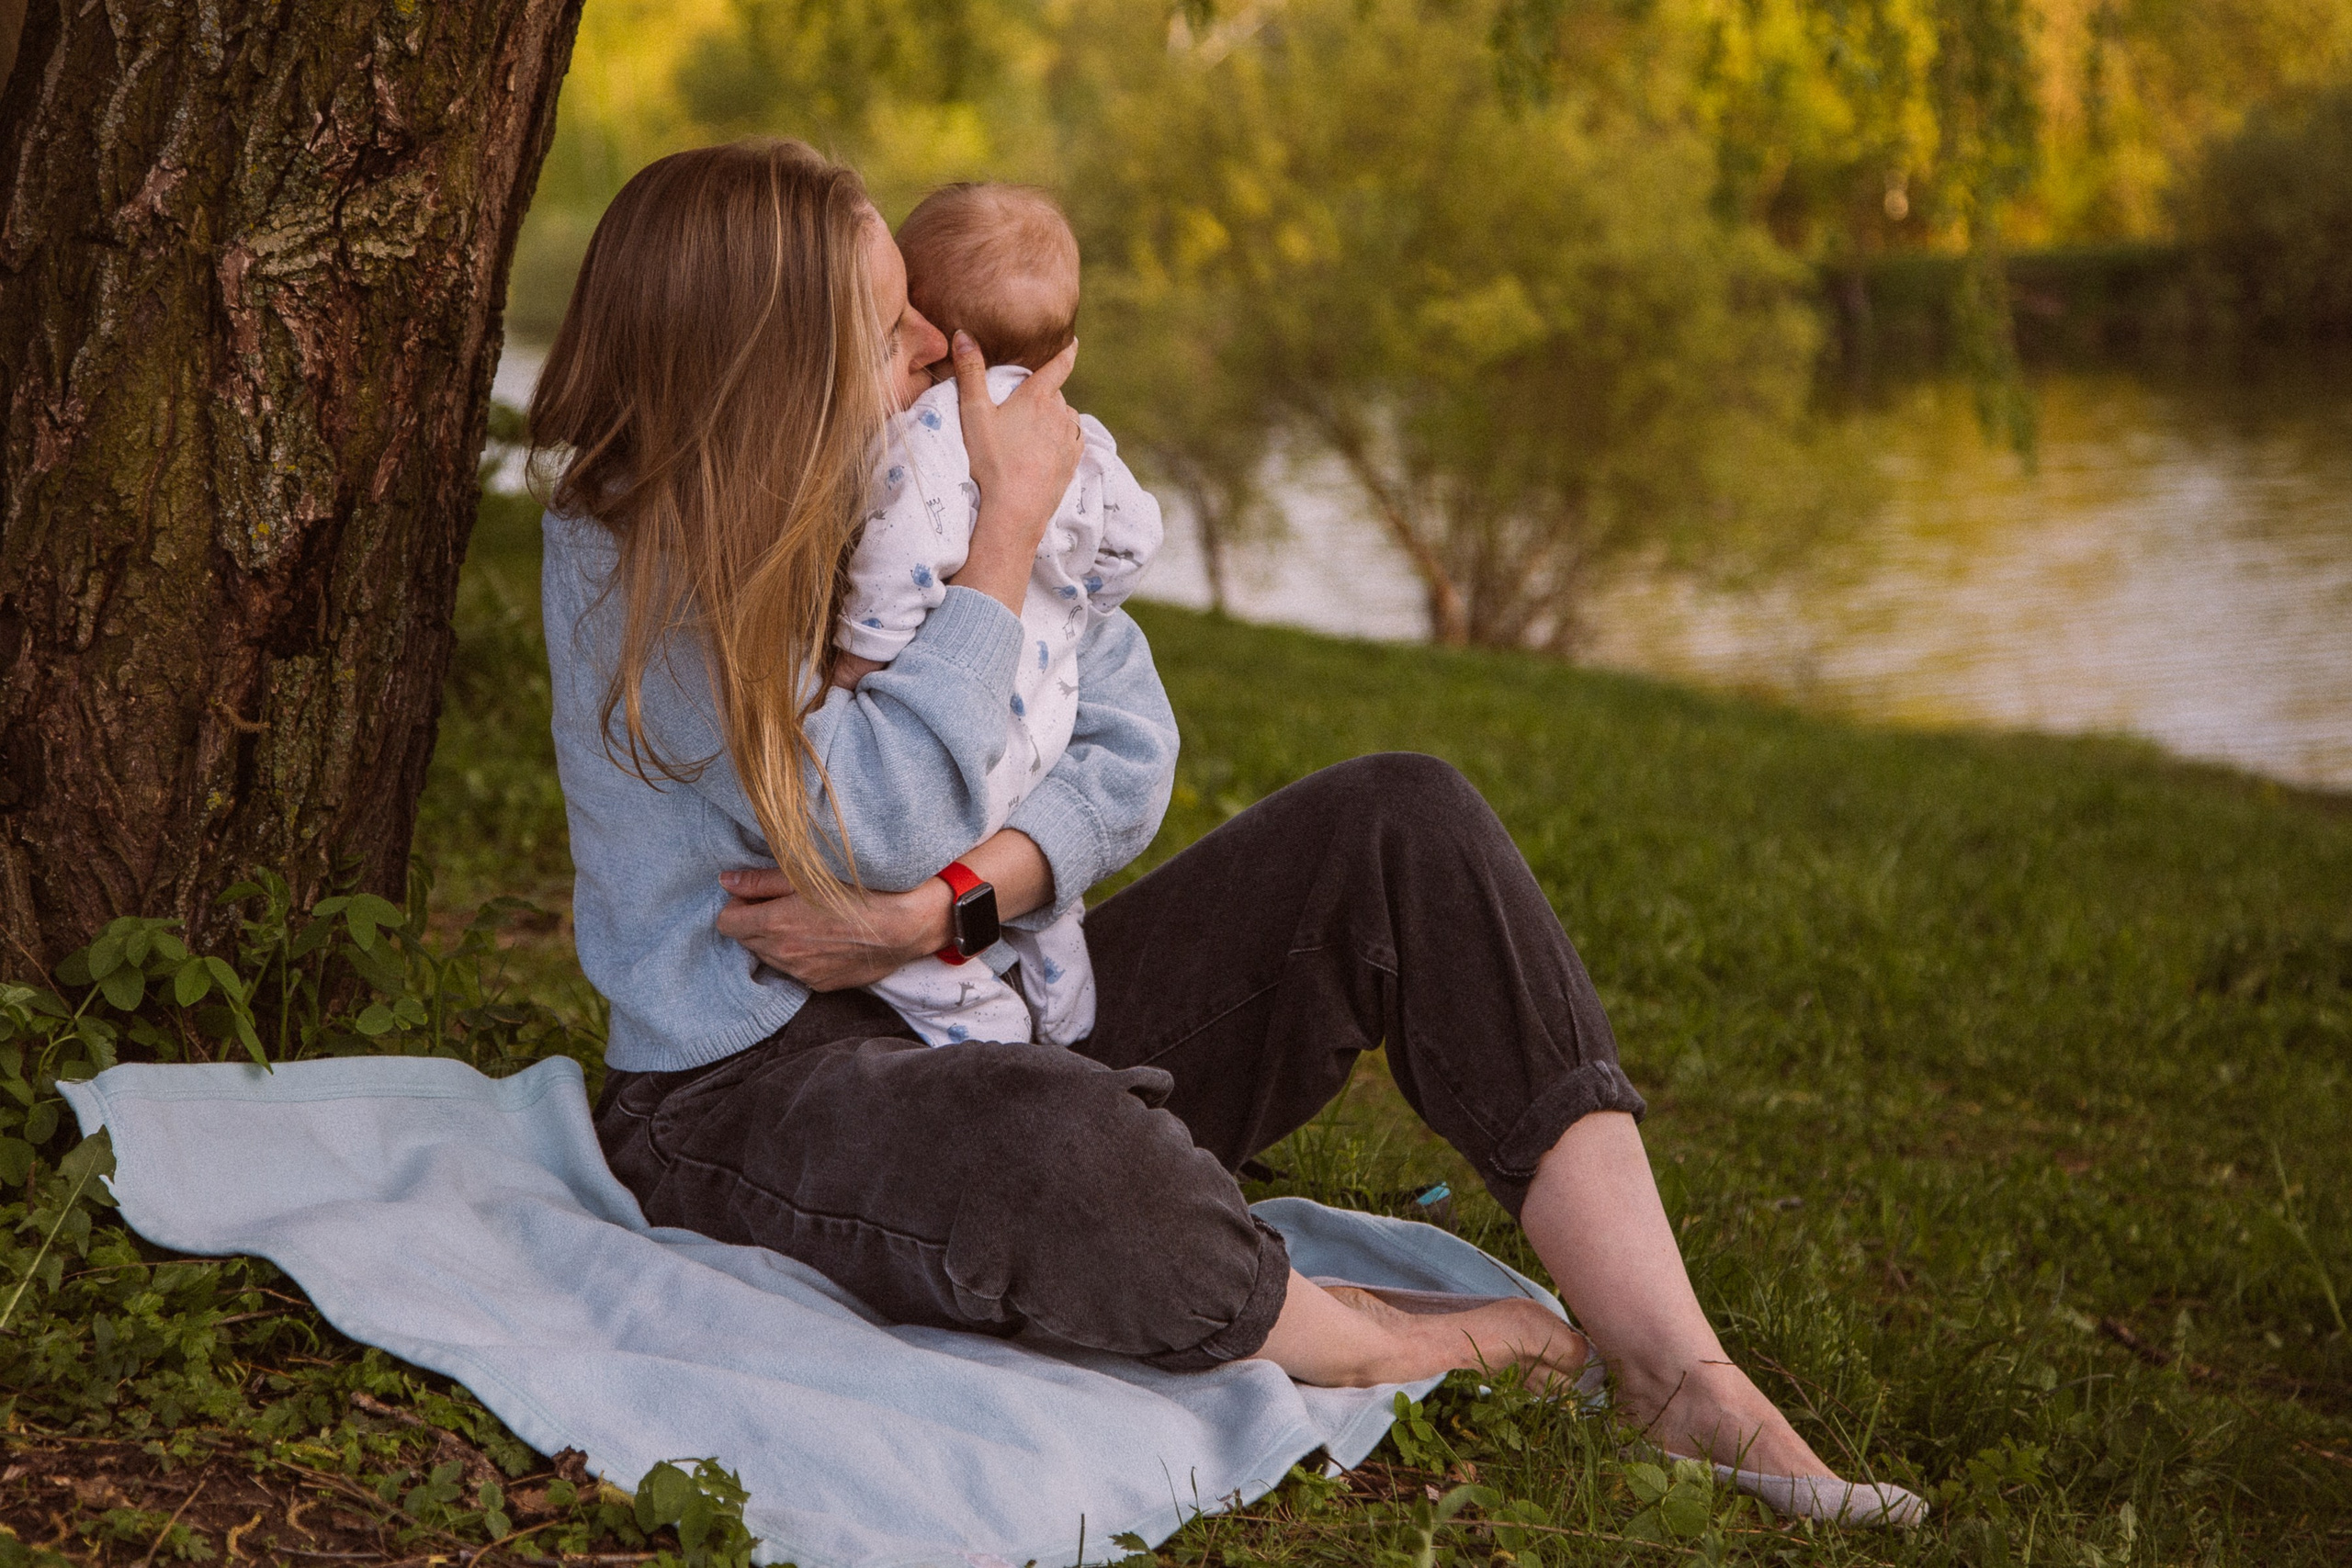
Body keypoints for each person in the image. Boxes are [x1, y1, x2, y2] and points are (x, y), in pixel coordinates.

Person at [529, 138, 1922, 1528]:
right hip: (761, 1087)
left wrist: (948, 908)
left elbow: (1126, 740)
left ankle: (1680, 1369)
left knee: (1402, 816)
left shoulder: (906, 467)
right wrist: (1003, 542)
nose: (933, 339)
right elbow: (883, 810)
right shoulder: (636, 557)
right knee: (1064, 1141)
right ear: (770, 356)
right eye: (884, 317)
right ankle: (1371, 1334)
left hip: (995, 985)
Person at [829, 182, 1163, 1049]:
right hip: (1039, 735)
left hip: (961, 749)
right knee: (1044, 899)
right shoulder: (1075, 437)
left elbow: (895, 564)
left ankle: (990, 1027)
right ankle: (1066, 1014)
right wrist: (1077, 585)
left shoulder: (921, 438)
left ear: (944, 336)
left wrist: (857, 662)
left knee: (920, 938)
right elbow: (1138, 536)